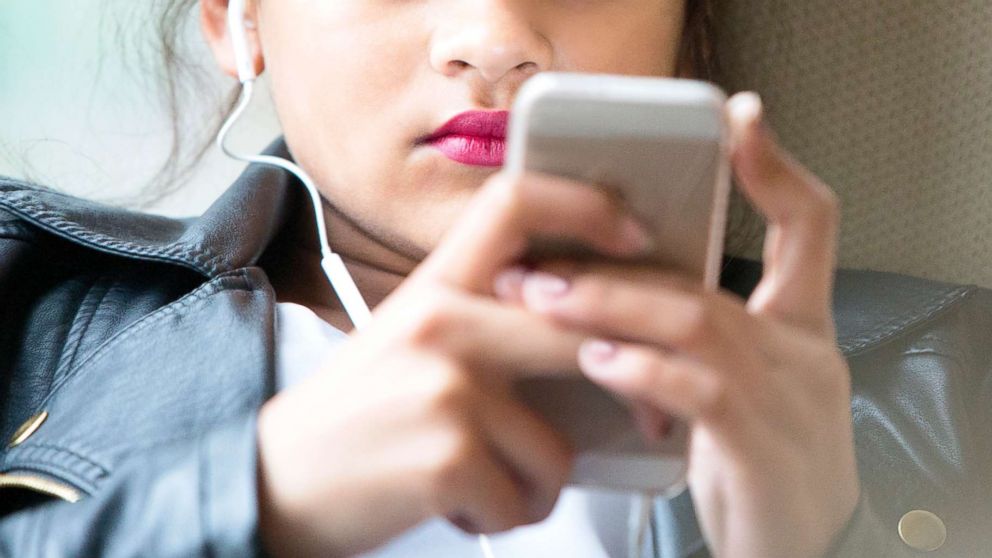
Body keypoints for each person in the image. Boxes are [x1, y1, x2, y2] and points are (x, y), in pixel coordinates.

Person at [0, 0, 988, 556]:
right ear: (236, 18)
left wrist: (833, 541)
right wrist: (258, 501)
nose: (495, 35)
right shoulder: (19, 313)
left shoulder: (956, 379)